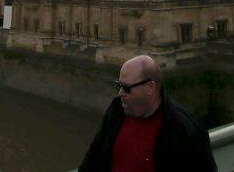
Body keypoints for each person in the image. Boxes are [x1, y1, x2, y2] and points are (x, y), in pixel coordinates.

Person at [78, 54, 217, 171]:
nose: (120, 93)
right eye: (119, 85)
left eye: (126, 88)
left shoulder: (186, 131)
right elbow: (91, 161)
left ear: (150, 87)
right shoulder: (115, 112)